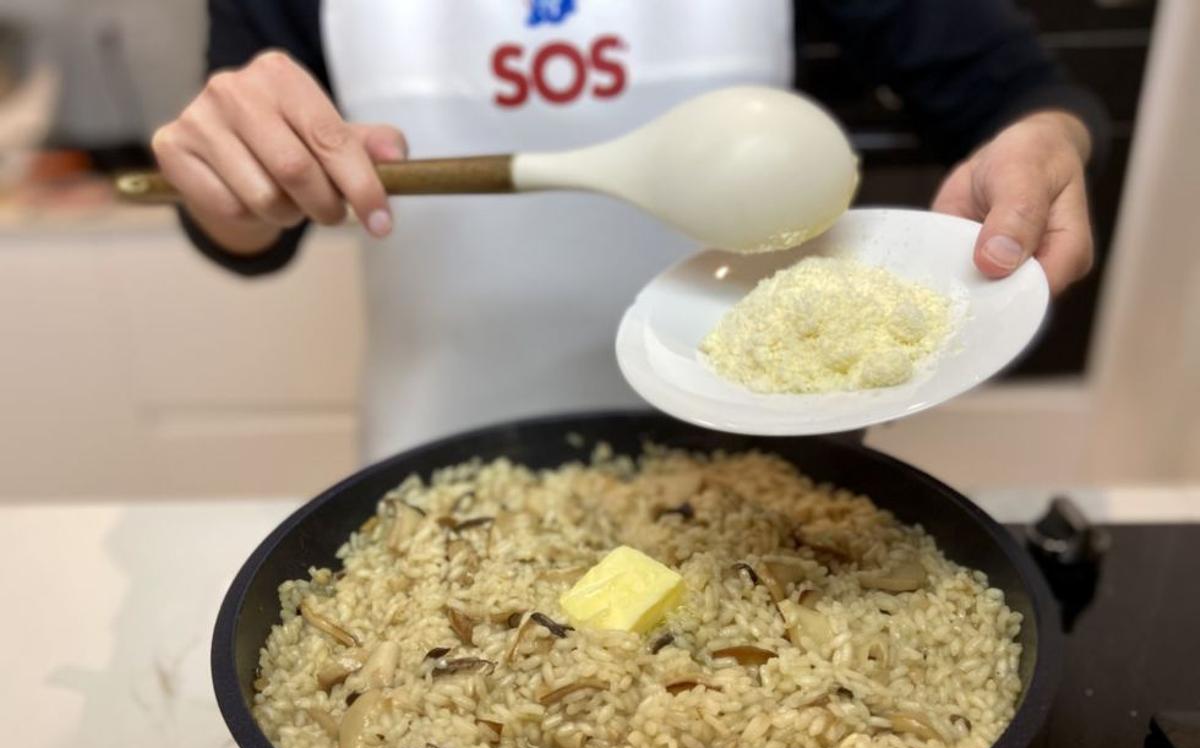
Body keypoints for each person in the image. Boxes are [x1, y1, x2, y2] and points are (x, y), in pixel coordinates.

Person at [155, 1, 1107, 460]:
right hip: (441, 464)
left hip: (765, 471)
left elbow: (1020, 92)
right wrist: (225, 180)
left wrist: (1043, 140)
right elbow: (246, 234)